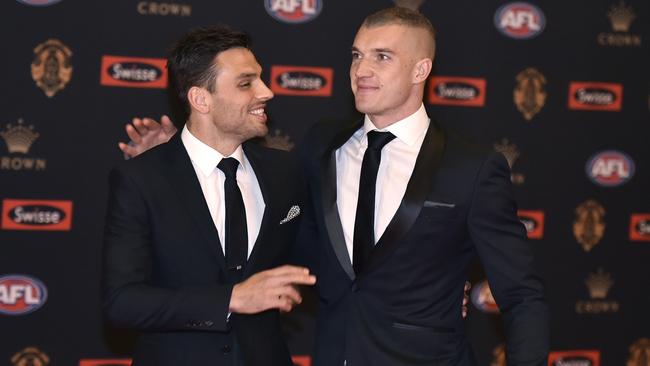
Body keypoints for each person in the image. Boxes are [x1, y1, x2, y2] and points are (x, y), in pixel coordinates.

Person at [119, 7, 548, 365]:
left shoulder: (472, 166)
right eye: (356, 55)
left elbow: (522, 295)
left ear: (421, 69)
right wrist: (178, 161)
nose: (361, 70)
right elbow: (261, 231)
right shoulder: (321, 146)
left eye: (382, 57)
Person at [102, 25, 316, 366]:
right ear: (201, 99)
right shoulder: (141, 179)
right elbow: (122, 302)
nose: (266, 92)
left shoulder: (285, 172)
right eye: (246, 83)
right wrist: (231, 299)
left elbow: (316, 261)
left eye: (260, 78)